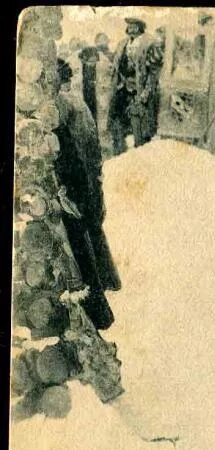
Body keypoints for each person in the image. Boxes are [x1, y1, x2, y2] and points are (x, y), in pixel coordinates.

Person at [53, 59, 121, 330]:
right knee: (93, 228)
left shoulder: (64, 106)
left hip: (77, 177)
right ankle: (108, 279)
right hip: (87, 174)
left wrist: (73, 189)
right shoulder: (77, 103)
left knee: (82, 238)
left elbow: (75, 152)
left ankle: (98, 302)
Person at [107, 17, 160, 154]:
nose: (131, 28)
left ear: (140, 27)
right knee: (117, 127)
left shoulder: (151, 43)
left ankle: (141, 162)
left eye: (134, 26)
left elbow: (153, 74)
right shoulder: (122, 43)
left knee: (140, 133)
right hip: (121, 91)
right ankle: (119, 158)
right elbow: (116, 66)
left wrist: (145, 95)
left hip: (140, 93)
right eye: (129, 26)